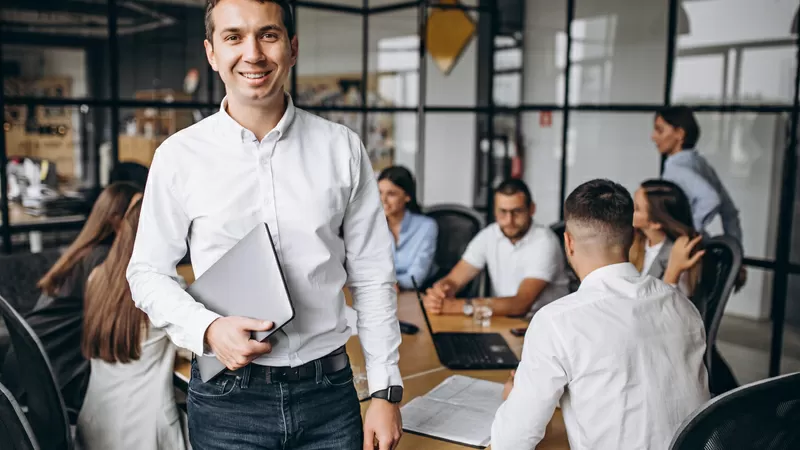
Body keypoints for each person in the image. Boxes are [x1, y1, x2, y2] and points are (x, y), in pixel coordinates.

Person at [126, 1, 402, 449]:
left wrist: (385, 390)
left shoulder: (342, 149)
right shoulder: (178, 157)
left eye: (268, 35)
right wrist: (209, 329)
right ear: (212, 53)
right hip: (227, 398)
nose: (252, 53)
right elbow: (147, 273)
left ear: (292, 48)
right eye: (233, 37)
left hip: (329, 394)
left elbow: (372, 275)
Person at [491, 179, 709, 450]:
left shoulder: (556, 321)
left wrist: (515, 400)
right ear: (631, 238)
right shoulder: (683, 306)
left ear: (568, 243)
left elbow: (511, 443)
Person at [0, 181, 142, 413]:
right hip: (56, 370)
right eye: (135, 214)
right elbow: (121, 316)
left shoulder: (84, 250)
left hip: (30, 364)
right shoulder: (101, 260)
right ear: (116, 220)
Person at [78, 196, 186, 450]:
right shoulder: (166, 289)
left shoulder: (98, 277)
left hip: (95, 429)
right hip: (144, 435)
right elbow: (197, 347)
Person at [423, 179, 569, 318]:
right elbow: (455, 279)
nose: (509, 220)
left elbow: (521, 304)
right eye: (502, 212)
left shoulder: (545, 242)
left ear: (531, 209)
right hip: (504, 322)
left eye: (516, 211)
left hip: (543, 326)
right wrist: (442, 291)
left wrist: (455, 307)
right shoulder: (489, 235)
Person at [653, 106, 748, 290]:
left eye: (659, 129)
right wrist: (737, 256)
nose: (653, 136)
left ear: (679, 133)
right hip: (700, 255)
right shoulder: (701, 165)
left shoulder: (677, 168)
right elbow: (730, 212)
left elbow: (711, 199)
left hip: (682, 255)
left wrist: (686, 232)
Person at [631, 179, 703, 298]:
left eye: (636, 208)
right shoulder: (635, 243)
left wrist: (673, 272)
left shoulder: (678, 253)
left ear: (655, 223)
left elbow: (671, 306)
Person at [377, 166, 438, 291]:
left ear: (407, 196)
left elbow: (416, 278)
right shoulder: (372, 227)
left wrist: (389, 282)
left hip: (416, 295)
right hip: (381, 294)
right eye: (380, 192)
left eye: (391, 194)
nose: (383, 200)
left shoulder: (426, 227)